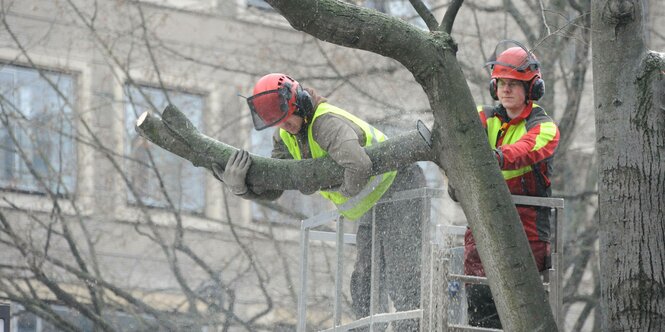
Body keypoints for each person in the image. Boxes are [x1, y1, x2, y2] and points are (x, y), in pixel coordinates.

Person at [214, 73, 426, 331]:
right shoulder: (285, 137)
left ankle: (415, 327)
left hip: (400, 184)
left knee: (402, 277)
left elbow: (359, 166)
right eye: (279, 123)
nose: (285, 126)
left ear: (300, 103)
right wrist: (242, 189)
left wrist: (343, 190)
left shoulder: (326, 124)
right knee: (365, 281)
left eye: (287, 119)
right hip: (377, 200)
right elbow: (276, 186)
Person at [449, 41, 560, 328]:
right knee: (480, 299)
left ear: (531, 89)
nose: (506, 90)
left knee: (516, 307)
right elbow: (456, 140)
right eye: (501, 83)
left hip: (527, 232)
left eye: (514, 83)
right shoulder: (483, 117)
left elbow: (524, 150)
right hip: (484, 224)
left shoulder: (544, 127)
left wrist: (494, 157)